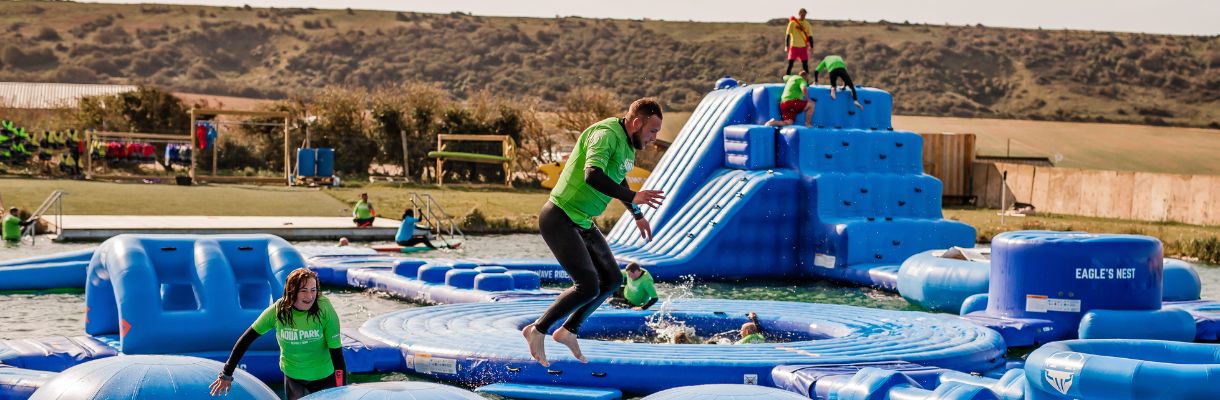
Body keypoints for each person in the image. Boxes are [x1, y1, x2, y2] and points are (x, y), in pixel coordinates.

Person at [522, 98, 666, 367]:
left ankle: (568, 330)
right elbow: (592, 175)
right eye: (652, 130)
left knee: (611, 280)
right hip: (560, 216)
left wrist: (637, 214)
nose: (654, 138)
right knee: (587, 285)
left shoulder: (627, 144)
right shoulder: (605, 135)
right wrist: (635, 196)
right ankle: (537, 329)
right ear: (636, 123)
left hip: (583, 220)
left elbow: (617, 178)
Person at [209, 268, 345, 400]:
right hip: (294, 379)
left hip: (325, 377)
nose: (309, 296)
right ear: (292, 291)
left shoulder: (324, 308)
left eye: (313, 290)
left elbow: (337, 354)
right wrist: (227, 374)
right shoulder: (277, 311)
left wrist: (341, 390)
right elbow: (246, 340)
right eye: (303, 291)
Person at [784, 8, 814, 75]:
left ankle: (806, 80)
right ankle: (787, 79)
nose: (803, 16)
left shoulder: (807, 24)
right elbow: (787, 35)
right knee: (790, 64)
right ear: (799, 14)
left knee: (805, 64)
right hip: (794, 46)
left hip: (803, 47)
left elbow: (810, 36)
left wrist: (811, 46)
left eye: (804, 15)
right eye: (802, 14)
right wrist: (786, 46)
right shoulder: (792, 23)